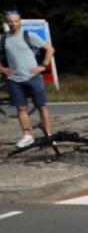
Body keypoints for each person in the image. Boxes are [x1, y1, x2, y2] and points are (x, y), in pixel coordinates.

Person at [1, 9, 54, 148]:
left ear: (20, 21)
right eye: (10, 21)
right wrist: (2, 69)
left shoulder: (28, 35)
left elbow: (50, 49)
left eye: (16, 21)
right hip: (14, 79)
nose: (13, 24)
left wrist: (43, 65)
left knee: (41, 107)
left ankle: (48, 135)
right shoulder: (3, 38)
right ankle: (26, 136)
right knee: (21, 108)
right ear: (6, 22)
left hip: (32, 77)